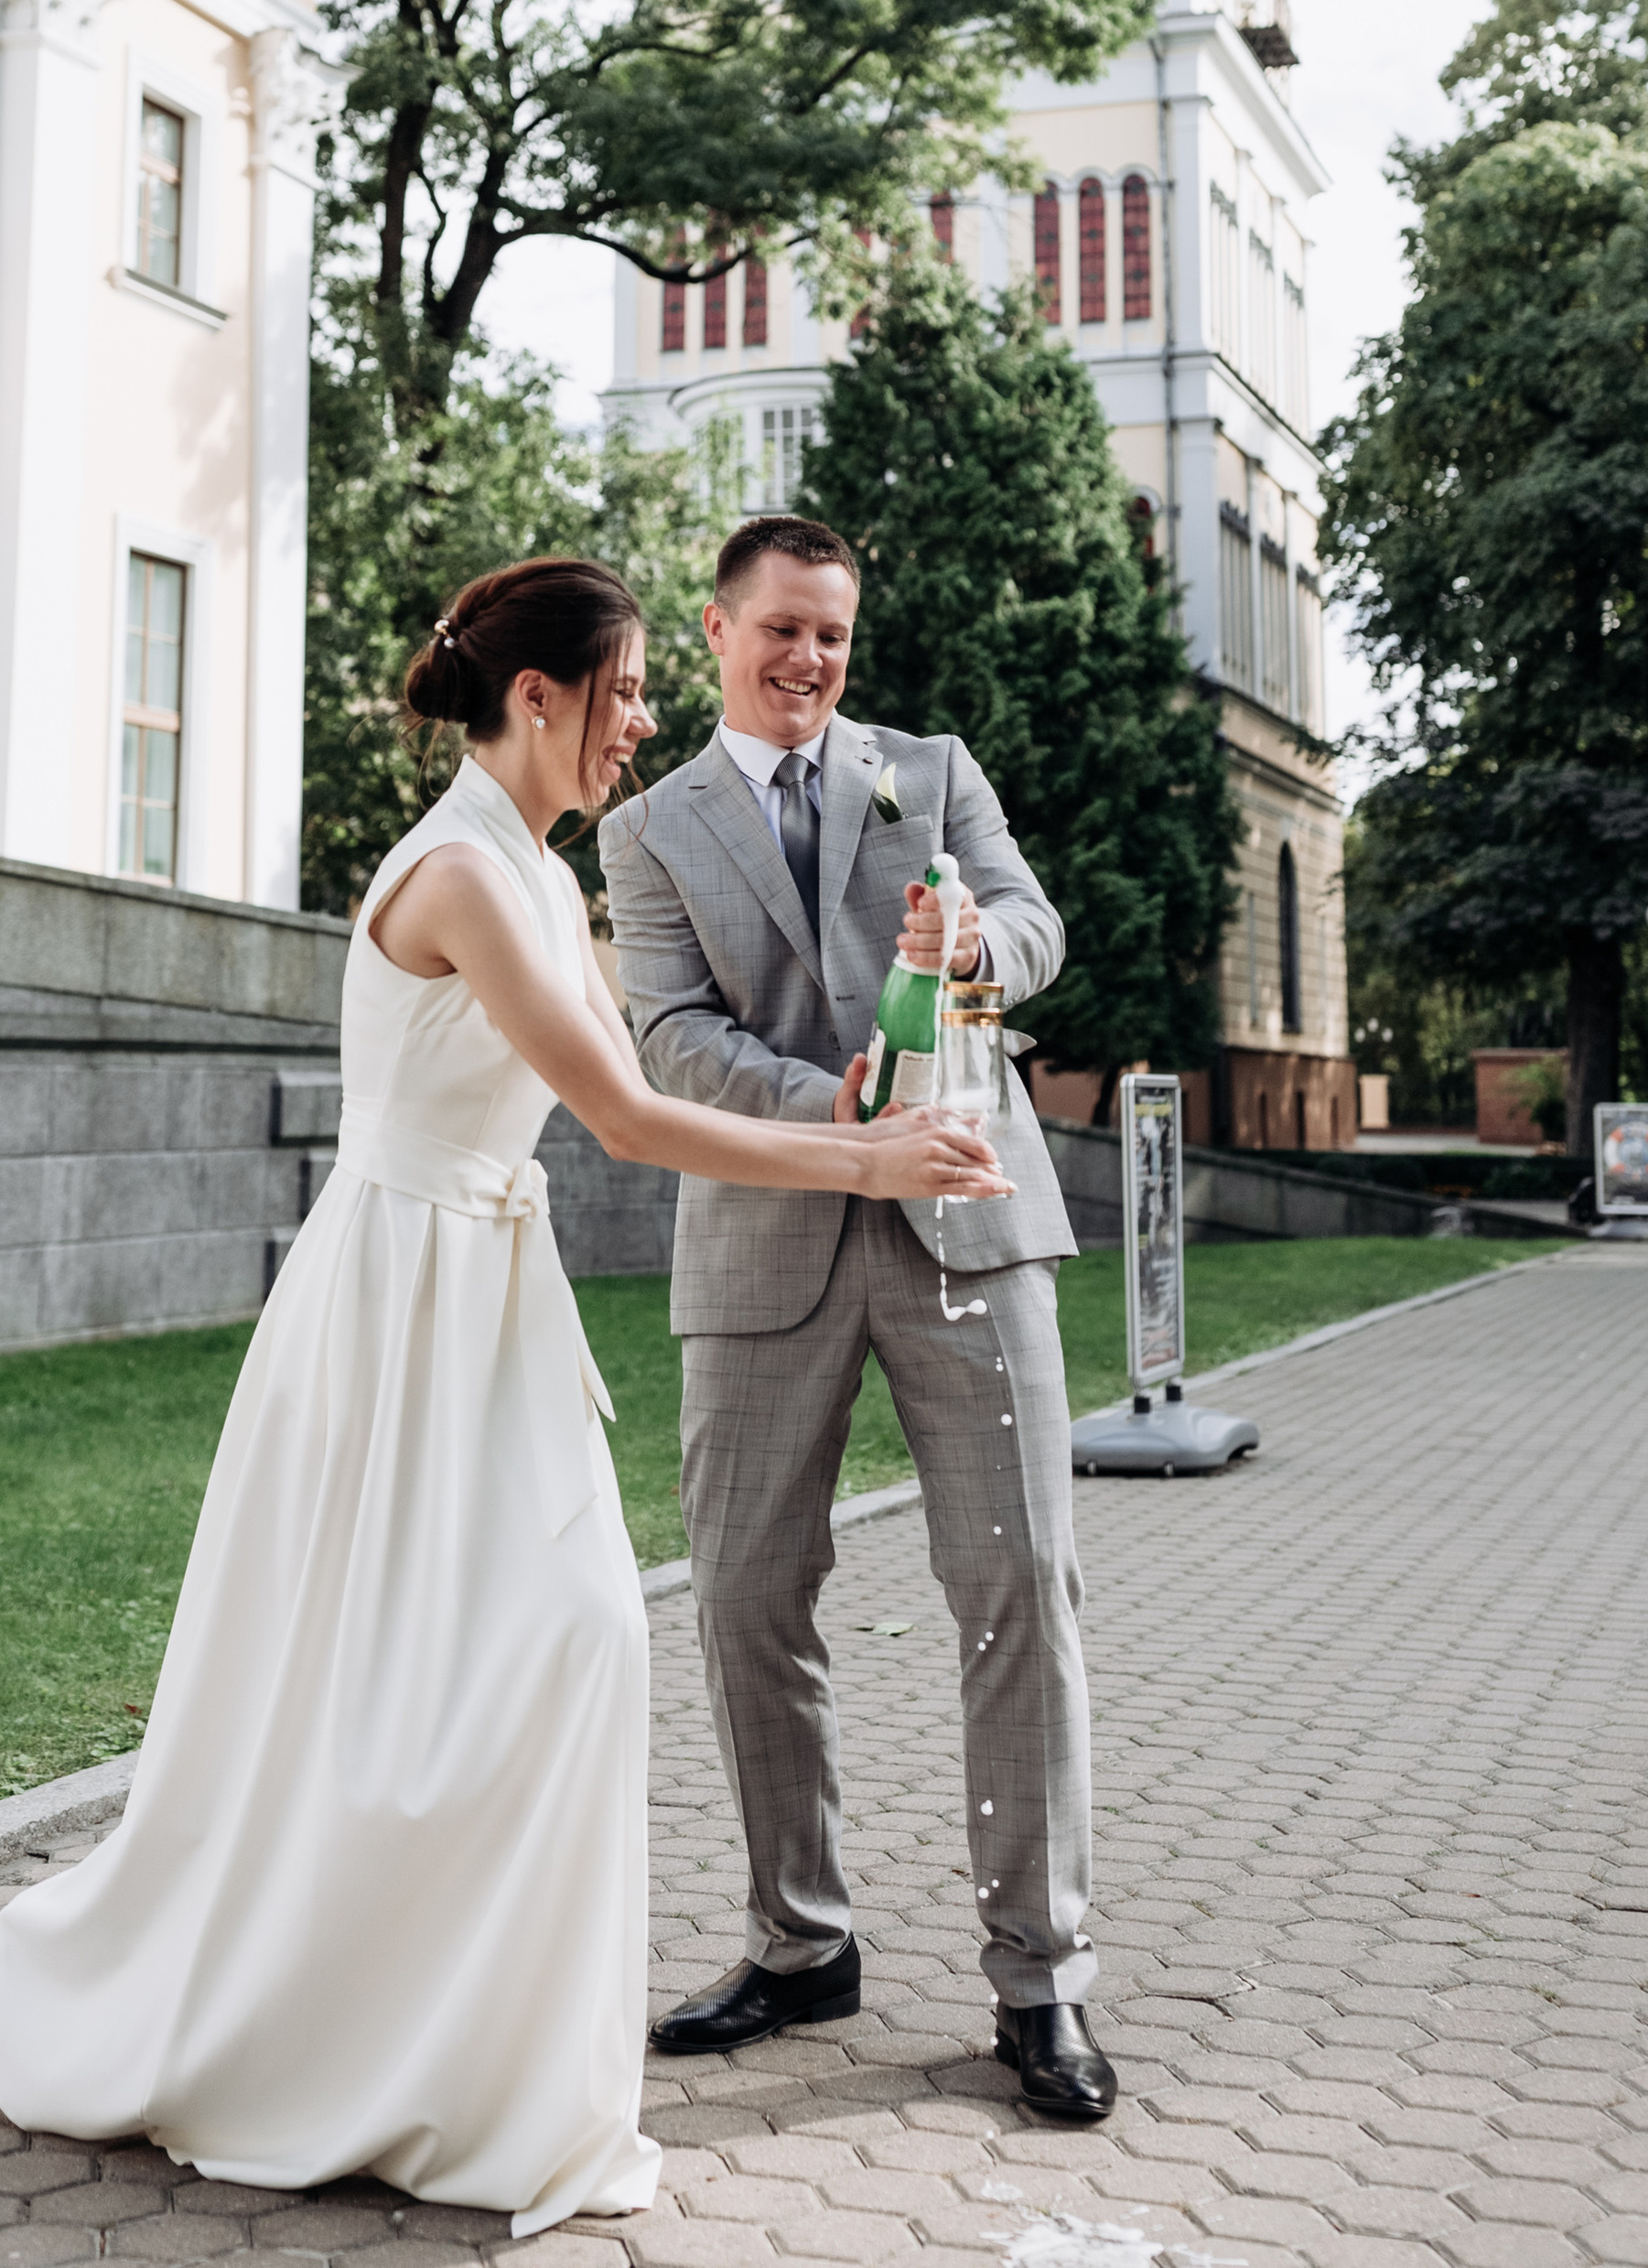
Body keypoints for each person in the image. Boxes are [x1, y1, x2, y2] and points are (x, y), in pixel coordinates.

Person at [0, 557, 1002, 2241]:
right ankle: (360, 2044)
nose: (647, 720)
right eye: (631, 687)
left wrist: (873, 1066)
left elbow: (666, 1062)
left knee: (556, 1650)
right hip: (398, 1303)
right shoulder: (462, 876)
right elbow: (629, 1125)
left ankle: (461, 2052)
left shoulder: (536, 871)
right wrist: (862, 1157)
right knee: (414, 1674)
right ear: (539, 697)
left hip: (489, 1301)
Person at [600, 513, 1117, 2123]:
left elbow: (1037, 925)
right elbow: (670, 1036)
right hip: (765, 1241)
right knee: (748, 1601)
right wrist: (834, 1111)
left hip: (969, 1213)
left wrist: (981, 946)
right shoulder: (648, 827)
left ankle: (1042, 1979)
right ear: (717, 630)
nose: (812, 661)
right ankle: (799, 1939)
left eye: (833, 635)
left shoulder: (934, 770)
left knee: (1020, 1583)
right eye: (783, 632)